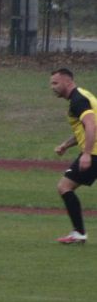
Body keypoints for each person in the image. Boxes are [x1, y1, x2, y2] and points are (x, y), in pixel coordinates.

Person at [50, 67, 97, 244]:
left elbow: (91, 126)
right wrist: (66, 145)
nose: (52, 87)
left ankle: (79, 233)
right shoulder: (82, 95)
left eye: (55, 83)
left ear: (67, 81)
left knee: (64, 186)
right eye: (51, 84)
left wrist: (87, 154)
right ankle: (79, 233)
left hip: (95, 152)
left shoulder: (78, 100)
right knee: (65, 186)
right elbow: (85, 129)